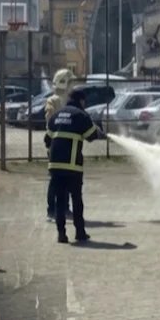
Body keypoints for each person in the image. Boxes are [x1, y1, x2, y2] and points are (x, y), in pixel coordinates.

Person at [44, 71, 105, 244]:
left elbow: (47, 140)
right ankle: (80, 232)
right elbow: (91, 136)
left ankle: (61, 234)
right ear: (81, 101)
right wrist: (99, 132)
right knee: (76, 199)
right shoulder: (81, 116)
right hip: (72, 167)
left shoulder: (57, 115)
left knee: (60, 200)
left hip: (55, 166)